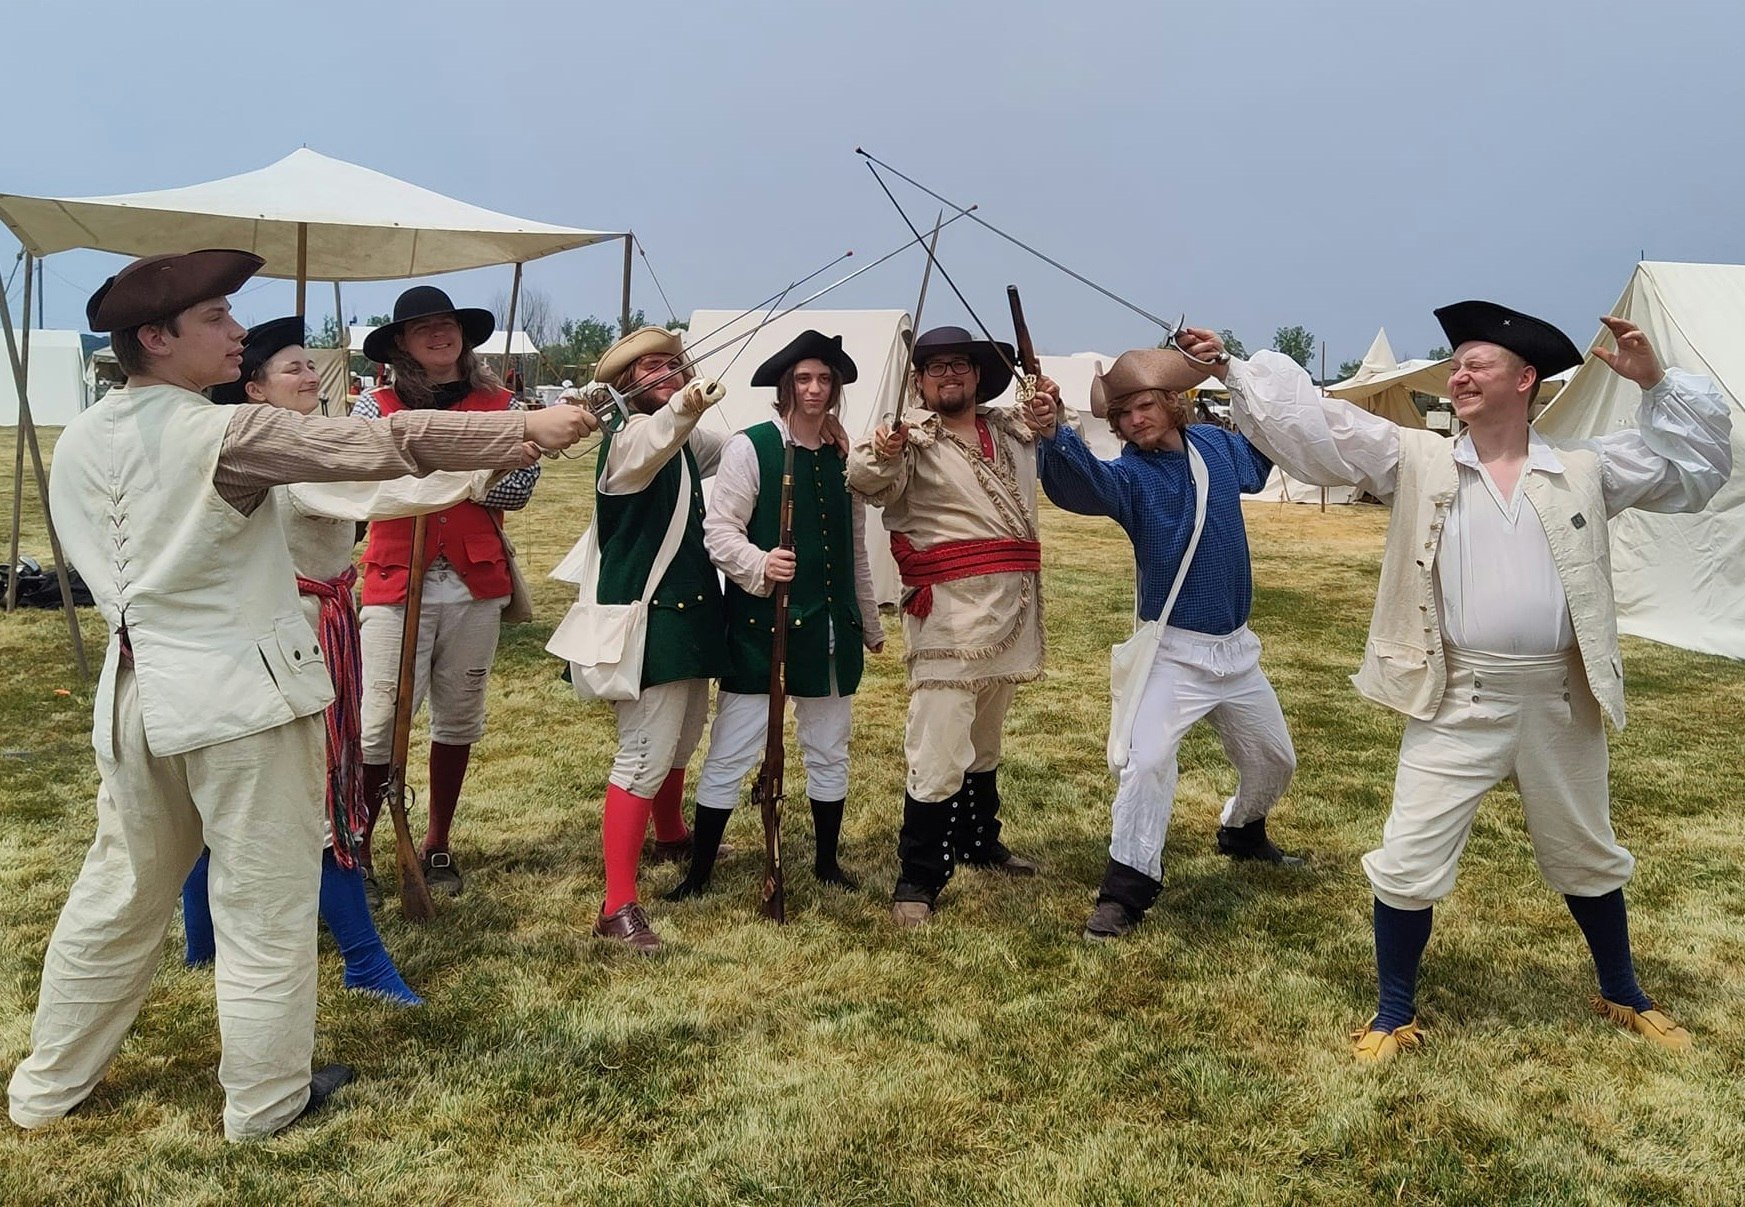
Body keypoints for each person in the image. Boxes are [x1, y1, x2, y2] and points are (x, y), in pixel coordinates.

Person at [8, 250, 592, 1141]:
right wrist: (525, 428)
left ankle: (46, 1087)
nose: (237, 331)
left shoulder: (84, 434)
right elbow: (381, 443)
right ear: (155, 337)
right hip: (239, 700)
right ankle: (266, 1099)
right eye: (215, 317)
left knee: (116, 894)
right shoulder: (228, 431)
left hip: (135, 696)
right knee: (264, 905)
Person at [1199, 303, 1731, 1060]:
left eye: (1476, 364)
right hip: (1456, 697)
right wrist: (1230, 366)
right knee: (1408, 856)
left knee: (1587, 852)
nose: (1459, 376)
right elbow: (1319, 427)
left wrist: (1656, 383)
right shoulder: (1416, 459)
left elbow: (1698, 465)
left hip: (1559, 699)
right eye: (1456, 366)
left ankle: (1622, 991)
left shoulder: (1585, 468)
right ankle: (1392, 1012)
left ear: (1525, 379)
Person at [179, 316, 521, 1004]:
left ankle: (203, 941)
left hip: (312, 629)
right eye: (294, 368)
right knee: (316, 794)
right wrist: (479, 466)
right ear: (255, 388)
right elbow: (382, 492)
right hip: (289, 638)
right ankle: (360, 959)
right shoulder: (277, 449)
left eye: (312, 364)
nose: (311, 375)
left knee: (261, 794)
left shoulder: (302, 436)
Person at [1034, 346, 1303, 941]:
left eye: (1144, 406)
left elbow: (1265, 448)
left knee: (1274, 761)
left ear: (1171, 403)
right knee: (1147, 762)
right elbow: (1085, 484)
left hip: (1237, 650)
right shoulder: (1129, 477)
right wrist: (1054, 433)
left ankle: (1242, 830)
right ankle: (1125, 892)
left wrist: (1234, 368)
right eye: (1122, 413)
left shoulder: (1216, 446)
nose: (1134, 420)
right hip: (1174, 654)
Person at [846, 325, 1057, 926]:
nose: (949, 375)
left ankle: (977, 839)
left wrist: (1051, 408)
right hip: (948, 614)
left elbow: (1049, 429)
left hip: (1012, 607)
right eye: (935, 367)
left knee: (985, 738)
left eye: (959, 364)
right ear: (919, 380)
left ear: (977, 375)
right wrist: (884, 449)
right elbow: (865, 478)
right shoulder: (908, 437)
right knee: (938, 744)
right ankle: (918, 876)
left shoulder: (1010, 429)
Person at [667, 331, 884, 899]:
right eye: (804, 378)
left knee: (829, 748)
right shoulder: (751, 447)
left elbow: (855, 549)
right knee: (732, 751)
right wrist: (761, 563)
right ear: (787, 385)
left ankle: (827, 862)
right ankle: (700, 872)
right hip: (764, 629)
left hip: (831, 629)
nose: (815, 389)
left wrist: (868, 620)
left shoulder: (844, 456)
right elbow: (720, 532)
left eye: (825, 379)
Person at [352, 287, 539, 901]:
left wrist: (433, 470)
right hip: (393, 580)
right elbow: (368, 480)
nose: (439, 334)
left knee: (459, 715)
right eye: (423, 327)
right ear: (402, 344)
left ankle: (436, 842)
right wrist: (475, 470)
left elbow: (519, 489)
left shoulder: (504, 405)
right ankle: (360, 843)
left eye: (447, 324)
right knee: (379, 720)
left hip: (473, 581)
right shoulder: (373, 407)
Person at [573, 327, 730, 951]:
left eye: (671, 364)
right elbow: (657, 436)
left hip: (688, 614)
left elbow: (737, 449)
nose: (664, 373)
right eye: (647, 369)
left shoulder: (679, 436)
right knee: (642, 755)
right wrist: (687, 401)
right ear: (624, 385)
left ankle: (670, 836)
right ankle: (617, 906)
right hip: (648, 618)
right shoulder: (628, 438)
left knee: (682, 738)